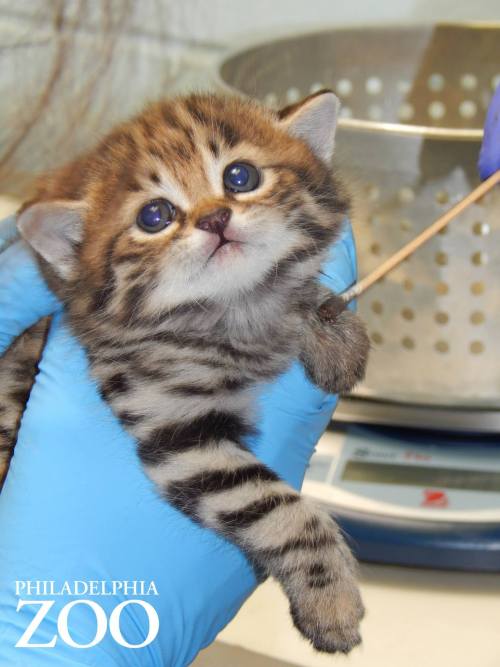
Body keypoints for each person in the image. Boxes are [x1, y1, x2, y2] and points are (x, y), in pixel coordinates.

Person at [1, 83, 498, 667]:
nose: (212, 216)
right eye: (156, 215)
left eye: (238, 179)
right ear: (73, 250)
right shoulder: (132, 341)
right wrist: (304, 545)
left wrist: (305, 305)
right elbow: (185, 447)